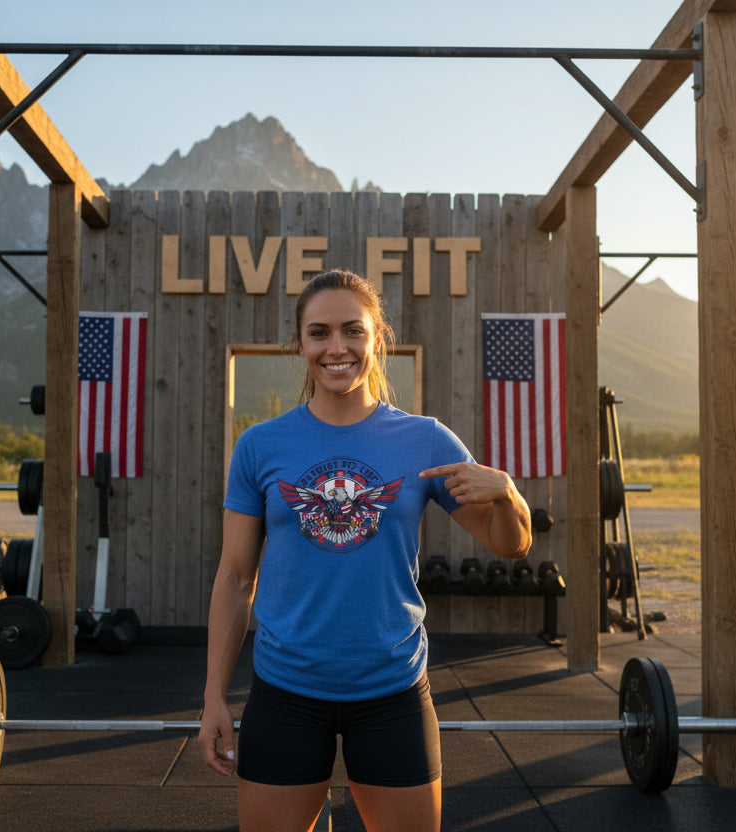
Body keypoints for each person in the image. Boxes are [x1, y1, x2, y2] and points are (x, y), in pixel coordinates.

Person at [198, 268, 531, 831]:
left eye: (353, 330)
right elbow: (234, 579)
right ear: (300, 343)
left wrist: (509, 495)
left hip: (392, 691)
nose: (337, 347)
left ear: (378, 338)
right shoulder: (260, 446)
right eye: (320, 332)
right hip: (286, 691)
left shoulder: (425, 439)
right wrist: (212, 699)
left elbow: (511, 544)